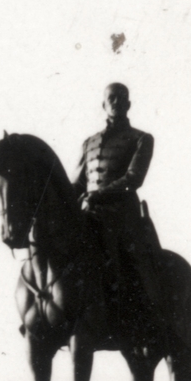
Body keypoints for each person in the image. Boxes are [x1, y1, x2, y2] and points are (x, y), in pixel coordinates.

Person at [71, 82, 166, 327]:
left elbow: (133, 178)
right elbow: (79, 184)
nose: (116, 102)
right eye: (111, 98)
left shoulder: (141, 139)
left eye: (121, 98)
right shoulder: (88, 143)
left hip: (122, 214)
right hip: (90, 213)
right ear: (103, 104)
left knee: (130, 261)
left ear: (128, 104)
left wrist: (98, 195)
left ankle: (146, 313)